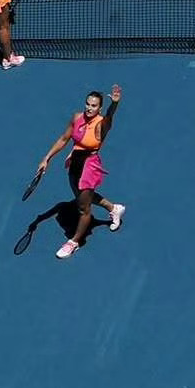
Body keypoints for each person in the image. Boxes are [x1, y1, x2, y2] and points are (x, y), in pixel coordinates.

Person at [37, 86, 126, 260]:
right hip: (75, 162)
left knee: (83, 208)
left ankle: (74, 242)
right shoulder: (77, 117)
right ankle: (114, 208)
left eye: (94, 106)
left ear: (99, 108)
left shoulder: (102, 124)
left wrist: (114, 104)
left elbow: (110, 115)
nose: (89, 108)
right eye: (88, 104)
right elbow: (64, 139)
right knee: (81, 196)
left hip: (89, 166)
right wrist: (46, 158)